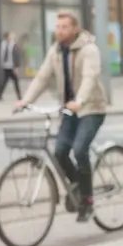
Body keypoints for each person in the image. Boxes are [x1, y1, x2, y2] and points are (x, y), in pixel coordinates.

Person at [17, 12, 107, 222]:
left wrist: (81, 100)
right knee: (59, 152)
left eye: (64, 27)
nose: (59, 30)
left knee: (79, 149)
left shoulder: (89, 49)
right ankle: (78, 187)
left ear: (75, 29)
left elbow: (90, 77)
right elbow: (42, 76)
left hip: (91, 108)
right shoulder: (56, 51)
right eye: (57, 26)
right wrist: (26, 100)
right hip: (69, 109)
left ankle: (88, 200)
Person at [0, 32, 21, 101]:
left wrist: (16, 66)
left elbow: (16, 55)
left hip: (12, 66)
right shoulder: (3, 44)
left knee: (16, 82)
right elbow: (1, 55)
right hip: (5, 66)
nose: (9, 38)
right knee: (4, 82)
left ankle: (19, 96)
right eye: (9, 37)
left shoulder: (13, 44)